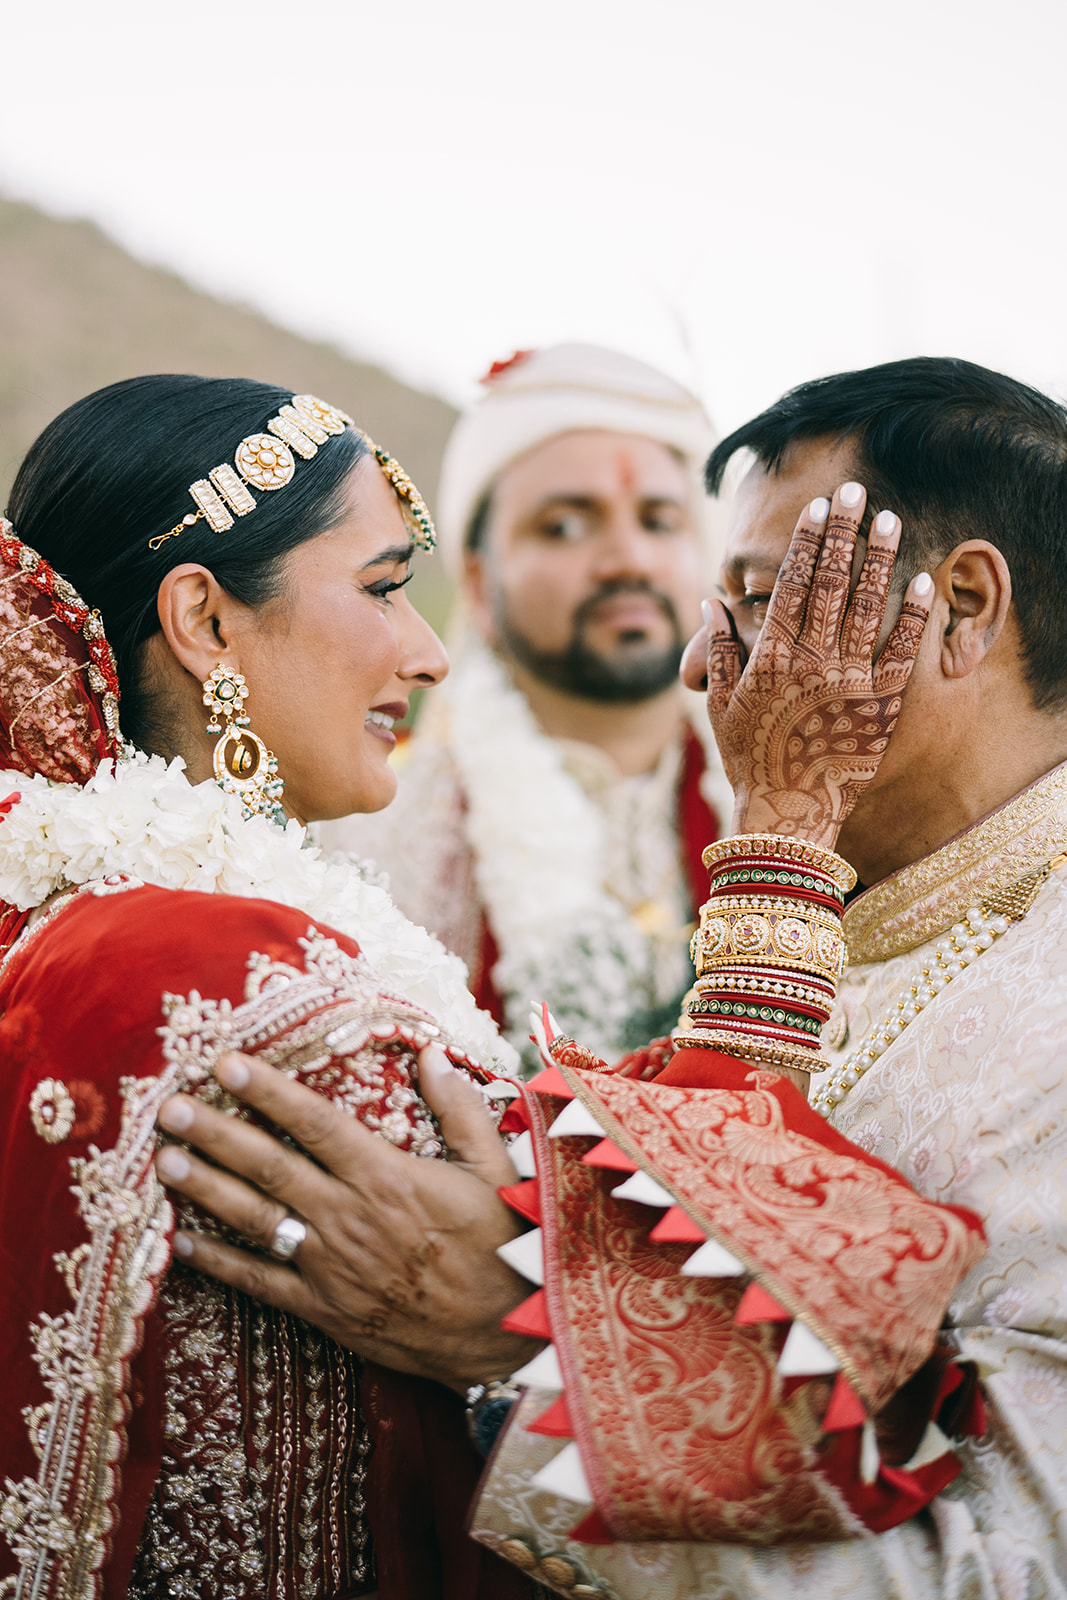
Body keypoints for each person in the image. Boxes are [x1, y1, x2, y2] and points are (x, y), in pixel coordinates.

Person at [159, 358, 1066, 1599]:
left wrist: (513, 1341)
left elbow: (1000, 1573)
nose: (702, 669)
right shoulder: (866, 910)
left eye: (755, 602)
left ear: (963, 607)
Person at [0, 377, 546, 1600]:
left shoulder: (49, 907)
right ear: (202, 618)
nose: (430, 649)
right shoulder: (270, 1004)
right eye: (383, 586)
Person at [318, 343, 733, 1064]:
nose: (628, 559)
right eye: (564, 526)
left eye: (660, 521)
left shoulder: (790, 806)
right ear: (477, 582)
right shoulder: (361, 840)